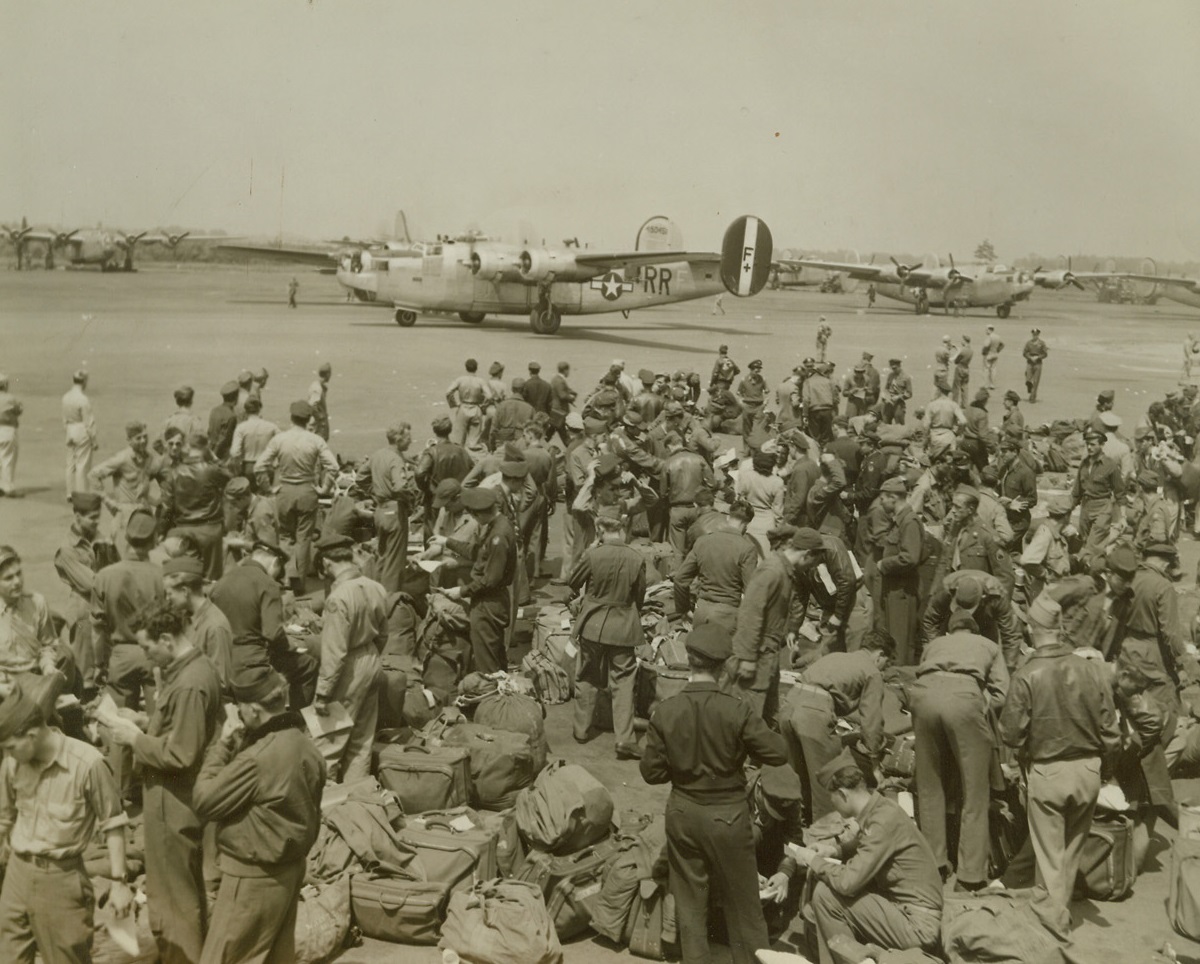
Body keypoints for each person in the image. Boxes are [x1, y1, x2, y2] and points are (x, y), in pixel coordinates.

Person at [639, 623, 788, 964]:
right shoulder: (736, 710)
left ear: (689, 663)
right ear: (723, 667)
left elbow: (651, 773)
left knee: (691, 904)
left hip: (682, 813)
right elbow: (778, 753)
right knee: (744, 907)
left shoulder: (666, 711)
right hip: (728, 816)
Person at [107, 601, 221, 964]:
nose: (144, 655)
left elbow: (182, 754)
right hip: (174, 804)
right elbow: (181, 734)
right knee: (181, 896)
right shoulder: (191, 671)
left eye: (146, 647)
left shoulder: (189, 683)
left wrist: (133, 739)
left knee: (175, 902)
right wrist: (143, 722)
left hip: (174, 808)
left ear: (167, 639)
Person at [999, 581, 1121, 917]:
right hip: (1088, 771)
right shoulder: (1090, 669)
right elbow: (1111, 730)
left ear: (1031, 628)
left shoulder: (1027, 674)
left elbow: (1010, 734)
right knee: (1069, 853)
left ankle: (1052, 929)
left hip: (1049, 772)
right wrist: (1103, 770)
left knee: (1050, 858)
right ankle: (1057, 914)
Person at [192, 666, 325, 964]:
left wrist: (223, 743)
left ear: (252, 710)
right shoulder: (307, 747)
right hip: (290, 871)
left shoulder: (257, 759)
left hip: (252, 878)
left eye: (240, 707)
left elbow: (204, 800)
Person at [0, 685, 134, 963]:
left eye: (11, 747)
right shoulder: (13, 763)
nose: (8, 754)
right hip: (17, 875)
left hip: (61, 882)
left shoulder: (88, 764)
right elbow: (5, 817)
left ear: (32, 735)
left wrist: (120, 884)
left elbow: (113, 824)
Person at [791, 758, 944, 964]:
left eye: (832, 797)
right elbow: (863, 845)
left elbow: (847, 882)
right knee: (827, 894)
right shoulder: (881, 807)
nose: (832, 803)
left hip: (916, 926)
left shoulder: (881, 821)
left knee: (826, 896)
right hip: (910, 911)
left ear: (843, 794)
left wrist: (814, 861)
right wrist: (833, 850)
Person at [911, 610, 1008, 890]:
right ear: (974, 630)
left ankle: (935, 863)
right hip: (965, 698)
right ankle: (970, 875)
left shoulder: (933, 645)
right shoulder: (988, 646)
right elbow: (1001, 692)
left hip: (923, 695)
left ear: (950, 631)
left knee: (929, 786)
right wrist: (979, 710)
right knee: (975, 792)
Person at [780, 630, 891, 824]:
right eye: (886, 662)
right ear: (880, 655)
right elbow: (871, 721)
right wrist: (874, 765)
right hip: (812, 713)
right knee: (827, 780)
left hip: (789, 704)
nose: (884, 668)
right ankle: (826, 835)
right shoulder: (872, 671)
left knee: (795, 774)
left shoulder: (837, 657)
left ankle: (791, 827)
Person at [91, 509, 163, 797]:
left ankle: (118, 793)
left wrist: (99, 664)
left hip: (120, 653)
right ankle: (156, 786)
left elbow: (97, 628)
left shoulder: (105, 575)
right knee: (156, 721)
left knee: (119, 723)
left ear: (127, 537)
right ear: (153, 540)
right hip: (154, 654)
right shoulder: (161, 576)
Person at [567, 514, 646, 758]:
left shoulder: (593, 555)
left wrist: (588, 552)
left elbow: (572, 581)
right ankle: (624, 739)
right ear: (621, 529)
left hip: (592, 624)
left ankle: (581, 730)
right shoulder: (636, 557)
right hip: (623, 626)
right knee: (623, 682)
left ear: (600, 531)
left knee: (587, 676)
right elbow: (640, 596)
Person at [211, 540, 319, 709]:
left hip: (223, 661)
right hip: (253, 664)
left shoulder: (221, 582)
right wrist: (292, 646)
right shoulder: (267, 584)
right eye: (277, 574)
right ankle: (296, 720)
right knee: (308, 666)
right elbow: (273, 634)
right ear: (275, 563)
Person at [731, 526, 823, 723]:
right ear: (807, 554)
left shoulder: (785, 571)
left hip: (768, 655)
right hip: (757, 655)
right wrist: (747, 657)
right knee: (748, 714)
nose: (812, 567)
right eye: (814, 561)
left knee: (770, 712)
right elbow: (750, 613)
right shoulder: (772, 571)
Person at [313, 533, 386, 782]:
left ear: (326, 562)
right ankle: (358, 800)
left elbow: (334, 653)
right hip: (372, 658)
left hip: (349, 666)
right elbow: (384, 634)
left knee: (329, 740)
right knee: (362, 739)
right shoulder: (375, 587)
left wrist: (323, 693)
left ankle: (326, 800)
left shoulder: (338, 598)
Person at [254, 400, 338, 591]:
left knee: (285, 536)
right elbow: (333, 467)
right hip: (307, 490)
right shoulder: (316, 440)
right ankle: (298, 582)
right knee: (303, 539)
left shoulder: (280, 439)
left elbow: (260, 466)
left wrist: (268, 488)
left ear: (291, 417)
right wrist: (324, 488)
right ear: (308, 418)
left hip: (285, 490)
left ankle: (285, 577)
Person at [439, 486, 517, 673]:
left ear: (479, 514)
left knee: (487, 663)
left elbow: (491, 579)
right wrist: (447, 541)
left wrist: (461, 591)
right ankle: (501, 698)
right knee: (495, 656)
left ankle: (490, 699)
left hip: (488, 603)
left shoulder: (498, 536)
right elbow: (478, 553)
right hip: (490, 601)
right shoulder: (498, 524)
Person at [672, 500, 759, 637]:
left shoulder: (703, 541)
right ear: (747, 525)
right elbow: (751, 592)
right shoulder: (747, 549)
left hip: (701, 612)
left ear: (728, 517)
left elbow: (680, 579)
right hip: (727, 616)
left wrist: (683, 610)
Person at [357, 422, 420, 593]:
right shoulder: (396, 460)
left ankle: (375, 593)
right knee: (395, 562)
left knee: (383, 557)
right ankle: (390, 601)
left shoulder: (377, 455)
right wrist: (409, 499)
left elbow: (360, 478)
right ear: (399, 440)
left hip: (380, 511)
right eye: (408, 438)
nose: (411, 441)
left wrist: (375, 492)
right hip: (394, 512)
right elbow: (400, 487)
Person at [159, 432, 231, 581]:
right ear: (206, 448)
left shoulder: (174, 473)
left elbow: (167, 506)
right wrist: (213, 458)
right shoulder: (211, 470)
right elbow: (230, 476)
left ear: (187, 447)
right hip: (210, 529)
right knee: (211, 578)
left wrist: (162, 530)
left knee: (189, 574)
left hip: (184, 530)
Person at [90, 420, 170, 555]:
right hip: (125, 516)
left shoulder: (150, 458)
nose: (143, 440)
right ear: (129, 440)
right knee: (124, 556)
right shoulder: (122, 459)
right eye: (138, 438)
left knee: (148, 556)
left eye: (145, 436)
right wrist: (109, 502)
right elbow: (93, 475)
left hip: (145, 513)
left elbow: (162, 473)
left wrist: (159, 501)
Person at [163, 555, 234, 694]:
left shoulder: (215, 626)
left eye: (169, 594)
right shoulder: (185, 617)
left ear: (184, 591)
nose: (167, 599)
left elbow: (220, 682)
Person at [876, 477, 924, 665]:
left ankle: (900, 682)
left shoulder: (909, 522)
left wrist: (884, 565)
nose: (881, 502)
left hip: (903, 592)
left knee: (900, 644)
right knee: (893, 641)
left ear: (893, 497)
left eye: (883, 498)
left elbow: (910, 557)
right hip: (895, 590)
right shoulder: (900, 521)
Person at [1072, 427, 1126, 567]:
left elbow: (1120, 493)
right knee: (1084, 541)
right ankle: (1091, 571)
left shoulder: (1110, 465)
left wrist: (1123, 517)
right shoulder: (1084, 464)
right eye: (1087, 444)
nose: (1089, 447)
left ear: (1102, 445)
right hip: (1085, 508)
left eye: (1093, 444)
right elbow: (1076, 492)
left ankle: (1093, 576)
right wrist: (1064, 512)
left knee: (1093, 546)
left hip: (1102, 508)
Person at [62, 369, 97, 498]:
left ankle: (70, 492)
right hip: (81, 430)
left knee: (70, 464)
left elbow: (64, 418)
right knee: (82, 464)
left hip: (70, 429)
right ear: (84, 382)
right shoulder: (83, 399)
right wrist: (94, 439)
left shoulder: (65, 396)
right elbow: (88, 422)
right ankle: (81, 493)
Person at [445, 358, 492, 453]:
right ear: (476, 368)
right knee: (473, 443)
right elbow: (489, 396)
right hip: (475, 408)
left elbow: (448, 392)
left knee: (458, 440)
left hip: (463, 408)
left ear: (466, 368)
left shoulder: (460, 380)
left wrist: (454, 404)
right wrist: (483, 405)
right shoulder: (480, 381)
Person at [228, 395, 278, 485]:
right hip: (266, 467)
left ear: (245, 411)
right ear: (260, 409)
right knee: (266, 496)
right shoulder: (271, 427)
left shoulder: (241, 428)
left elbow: (234, 452)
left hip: (248, 467)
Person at [0, 375, 21, 498]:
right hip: (7, 429)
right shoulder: (10, 398)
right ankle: (7, 487)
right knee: (7, 458)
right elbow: (18, 410)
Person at [208, 381, 240, 461]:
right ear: (236, 397)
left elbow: (210, 431)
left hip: (210, 449)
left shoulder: (214, 410)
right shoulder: (231, 416)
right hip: (221, 455)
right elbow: (225, 439)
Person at [549, 361, 577, 444]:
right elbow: (562, 395)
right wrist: (571, 398)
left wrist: (571, 392)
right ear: (565, 370)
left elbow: (564, 390)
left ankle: (543, 444)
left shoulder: (555, 379)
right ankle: (571, 449)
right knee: (563, 433)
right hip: (560, 411)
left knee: (552, 431)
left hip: (555, 410)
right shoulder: (560, 381)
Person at [882, 358, 912, 425]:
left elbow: (909, 393)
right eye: (892, 368)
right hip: (889, 403)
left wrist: (898, 397)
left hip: (899, 404)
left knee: (899, 425)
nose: (893, 370)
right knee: (885, 422)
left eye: (895, 368)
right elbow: (886, 388)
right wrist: (884, 394)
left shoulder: (906, 377)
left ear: (899, 366)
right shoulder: (890, 375)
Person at [1023, 327, 1048, 403]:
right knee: (1028, 379)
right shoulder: (1028, 343)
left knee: (1036, 381)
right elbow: (1024, 352)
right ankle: (1029, 388)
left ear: (1038, 335)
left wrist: (1038, 357)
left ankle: (1033, 397)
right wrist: (1030, 357)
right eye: (1033, 334)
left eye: (1036, 335)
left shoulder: (1042, 343)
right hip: (1030, 362)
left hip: (1038, 363)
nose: (1035, 336)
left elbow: (1045, 354)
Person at [307, 362, 332, 440]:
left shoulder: (319, 386)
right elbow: (312, 405)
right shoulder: (317, 388)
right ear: (327, 374)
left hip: (318, 426)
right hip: (317, 427)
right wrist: (320, 418)